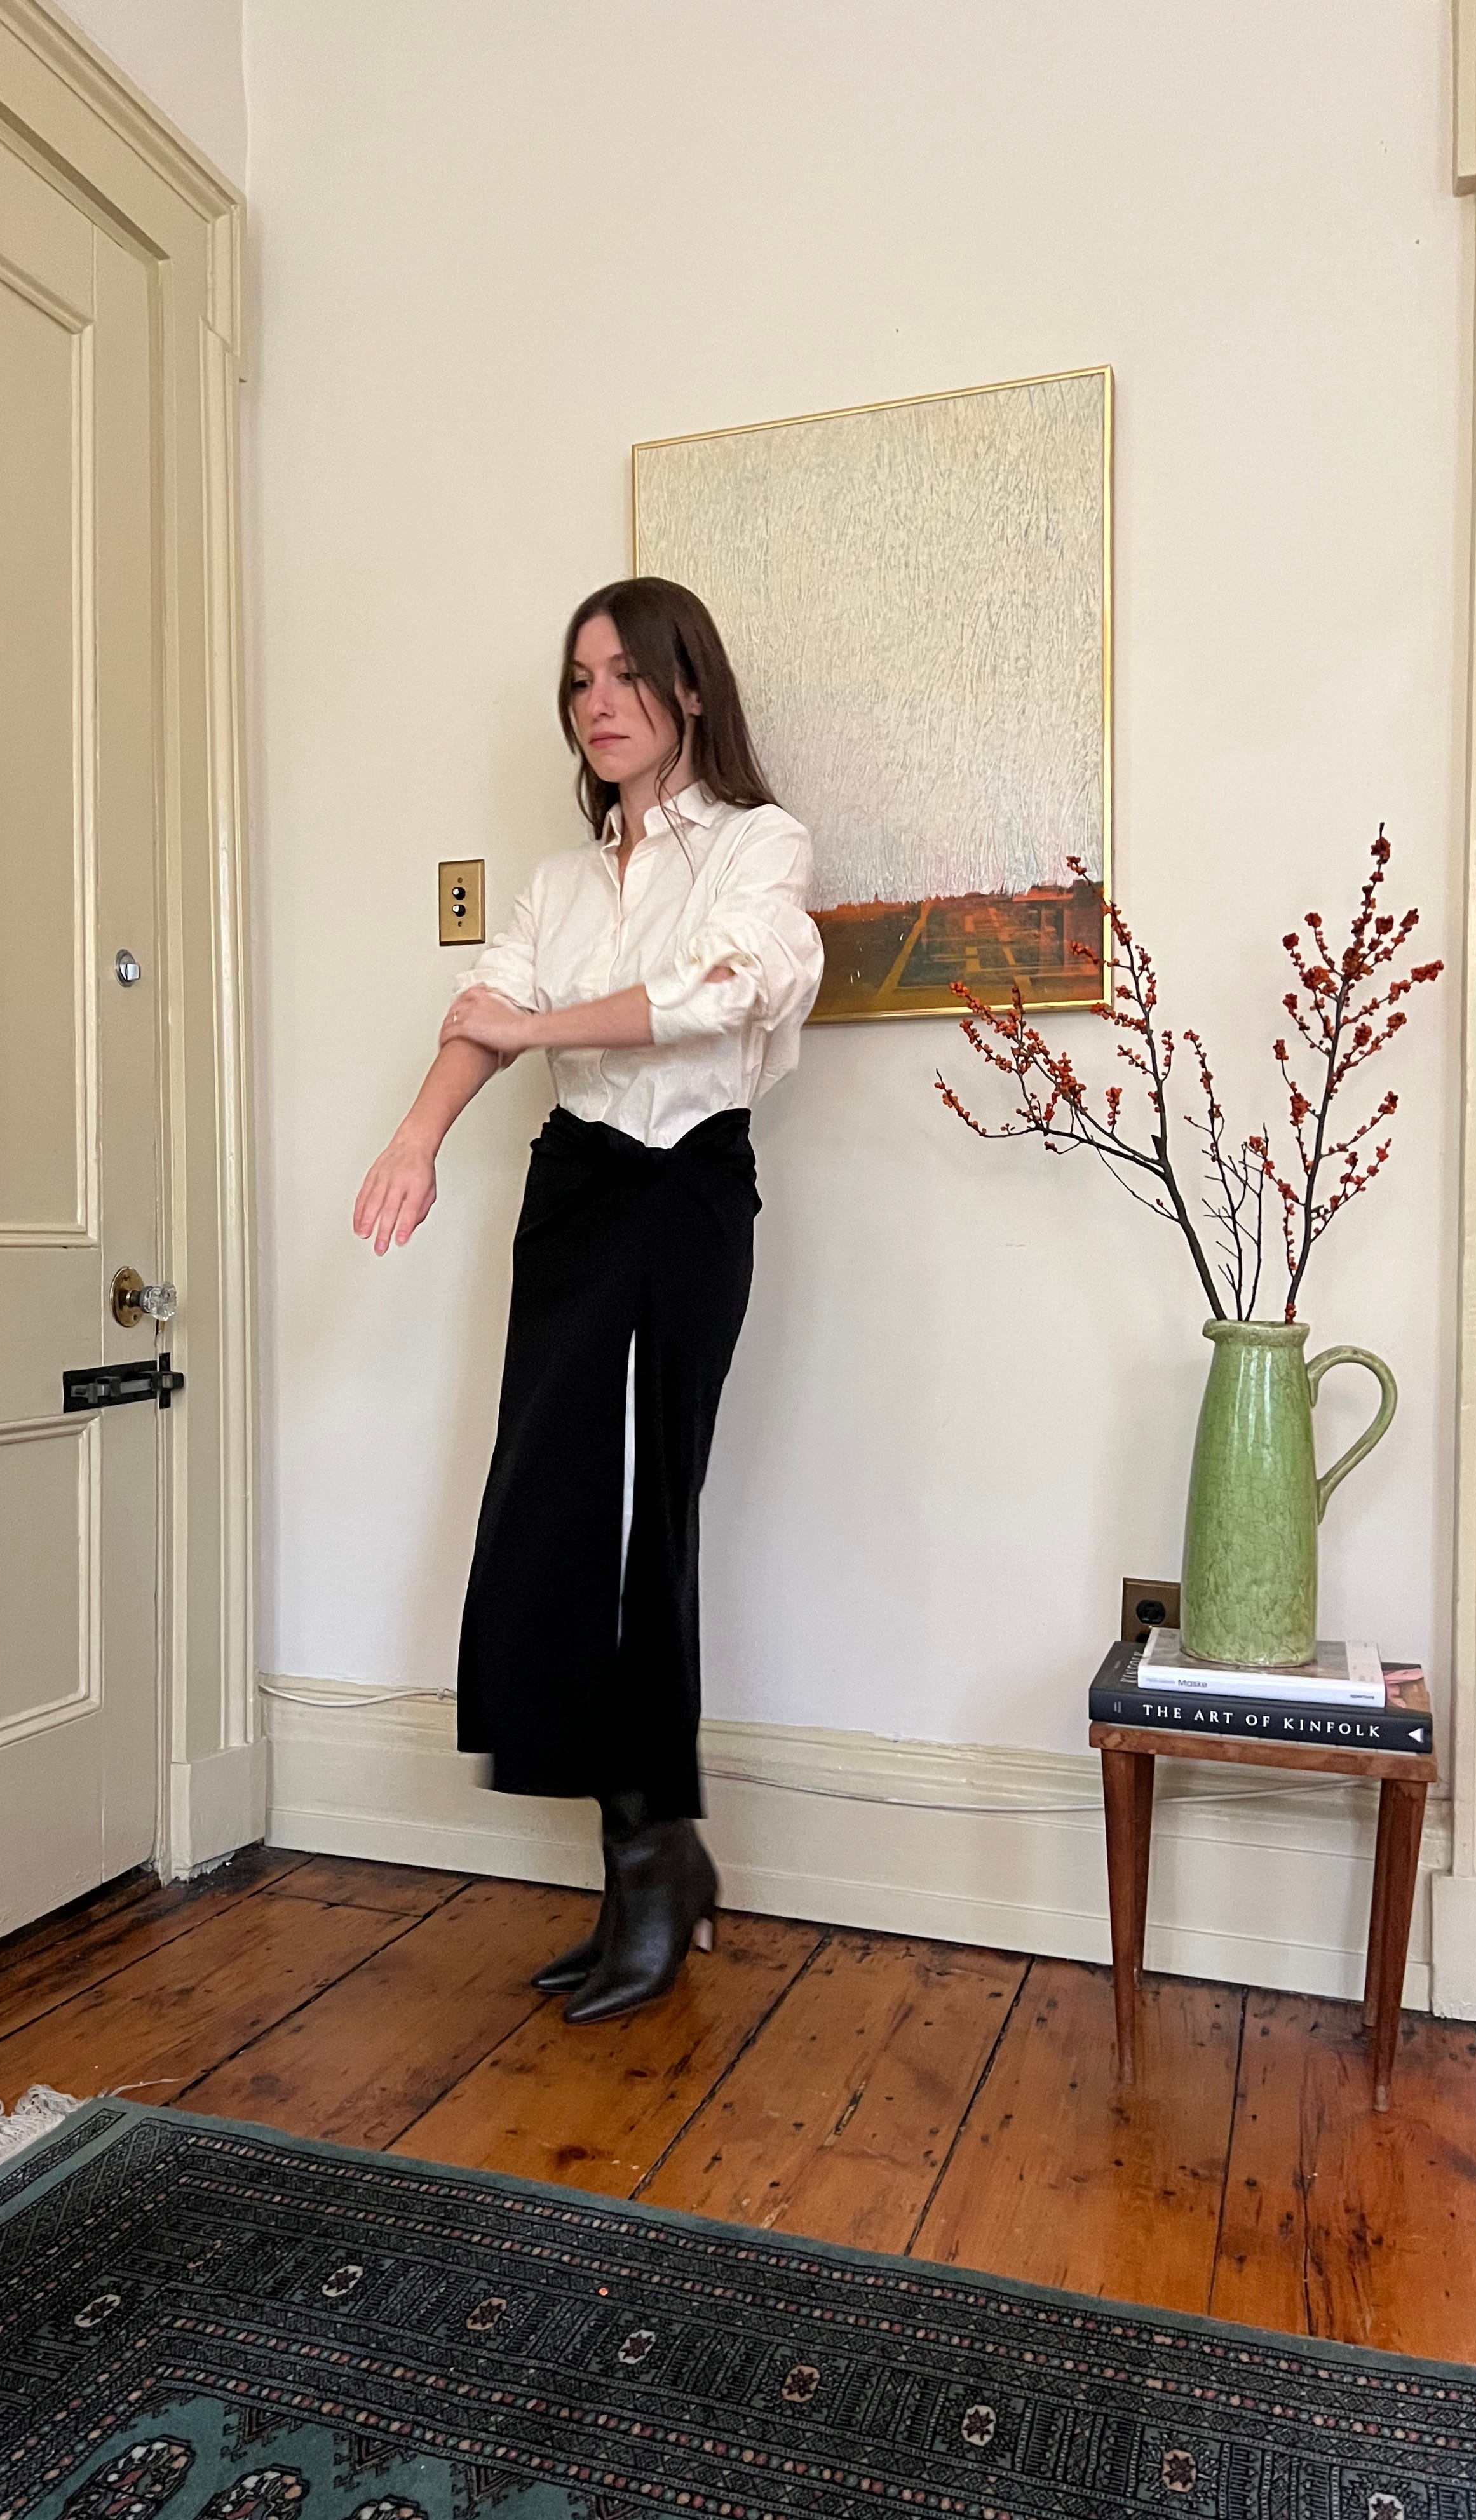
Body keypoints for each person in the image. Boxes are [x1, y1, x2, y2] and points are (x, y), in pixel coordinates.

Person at [353, 577, 823, 2023]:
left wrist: (537, 1026)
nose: (597, 702)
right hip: (571, 1195)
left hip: (685, 1197)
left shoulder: (757, 844)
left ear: (690, 689)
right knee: (548, 1520)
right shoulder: (557, 886)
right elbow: (479, 1019)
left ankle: (655, 1858)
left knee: (643, 1520)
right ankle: (640, 1865)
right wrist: (416, 1141)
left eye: (624, 674)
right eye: (578, 681)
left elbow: (725, 989)